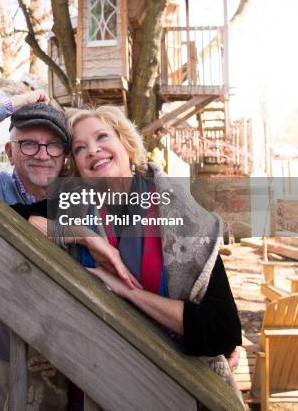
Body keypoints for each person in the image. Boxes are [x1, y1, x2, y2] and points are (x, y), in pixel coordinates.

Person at [0, 91, 137, 411]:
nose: (42, 154)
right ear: (10, 152)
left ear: (65, 155)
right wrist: (15, 102)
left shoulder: (81, 195)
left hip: (82, 354)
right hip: (10, 353)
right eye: (28, 143)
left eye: (53, 144)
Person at [64, 105, 243, 398]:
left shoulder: (182, 215)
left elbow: (221, 331)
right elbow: (22, 217)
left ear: (127, 145)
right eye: (79, 148)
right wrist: (82, 235)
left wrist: (129, 292)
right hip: (101, 383)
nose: (93, 150)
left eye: (102, 137)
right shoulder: (74, 211)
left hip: (179, 384)